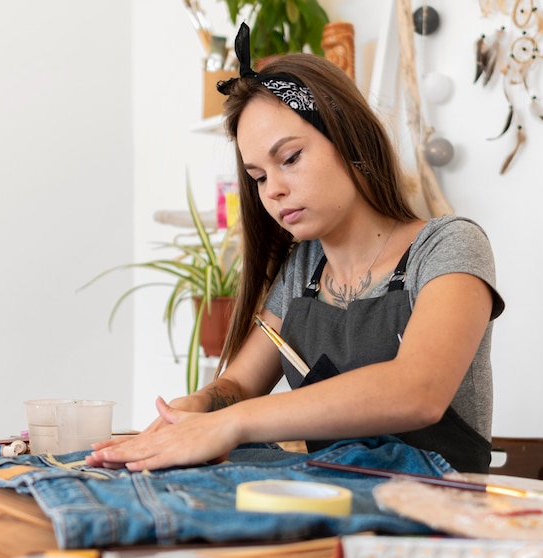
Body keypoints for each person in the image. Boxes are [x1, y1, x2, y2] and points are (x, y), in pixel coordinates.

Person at [87, 23, 504, 475]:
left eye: (290, 158)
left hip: (441, 523)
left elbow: (417, 391)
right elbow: (240, 385)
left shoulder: (447, 246)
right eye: (259, 176)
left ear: (350, 140)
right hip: (335, 507)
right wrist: (198, 408)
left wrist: (232, 424)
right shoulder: (302, 271)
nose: (275, 191)